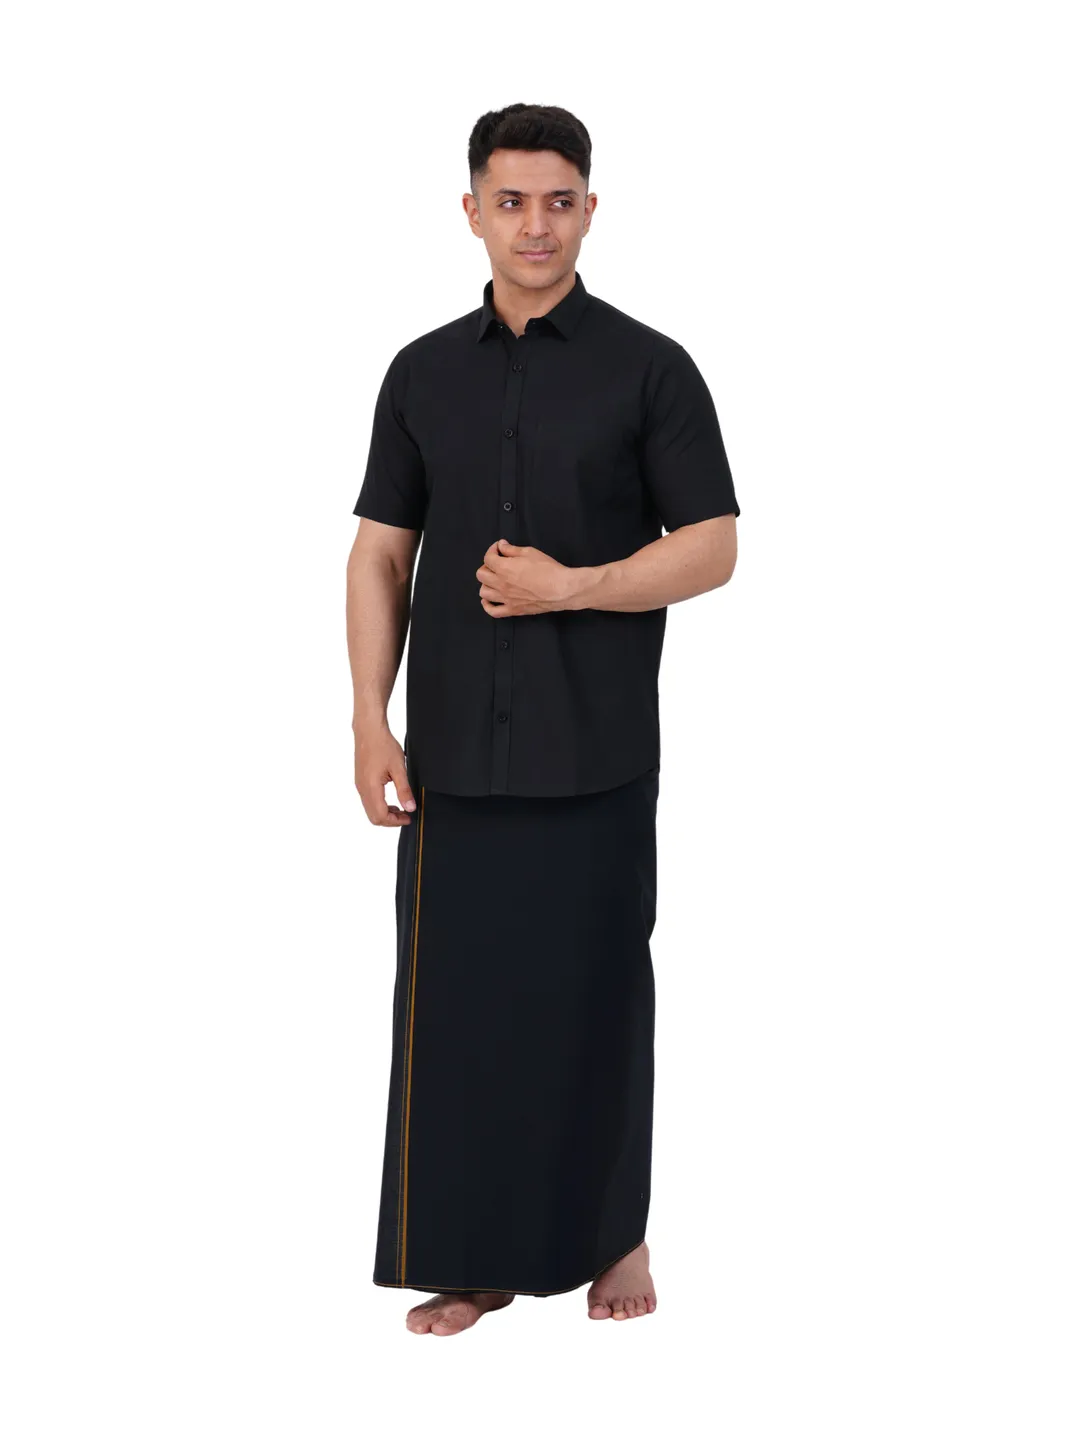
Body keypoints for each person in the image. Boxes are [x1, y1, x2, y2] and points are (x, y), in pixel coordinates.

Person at [345, 103, 740, 1337]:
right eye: (510, 201)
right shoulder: (421, 373)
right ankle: (476, 1260)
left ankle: (612, 1235)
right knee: (456, 1019)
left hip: (597, 748)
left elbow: (713, 546)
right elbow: (380, 553)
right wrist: (368, 718)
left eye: (558, 201)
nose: (535, 224)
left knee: (594, 1002)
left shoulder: (651, 368)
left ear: (590, 210)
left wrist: (573, 586)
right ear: (472, 211)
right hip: (455, 756)